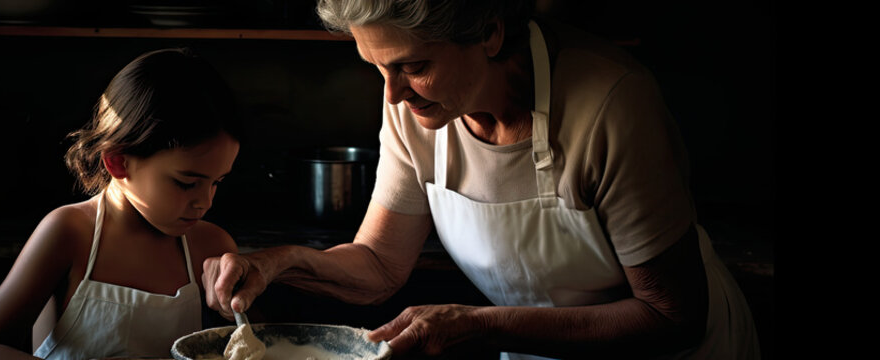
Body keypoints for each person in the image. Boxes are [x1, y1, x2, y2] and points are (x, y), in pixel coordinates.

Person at [203, 1, 760, 359]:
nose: (393, 94)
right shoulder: (414, 106)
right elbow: (377, 265)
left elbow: (672, 316)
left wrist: (479, 324)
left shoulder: (610, 105)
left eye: (412, 66)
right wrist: (279, 262)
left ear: (490, 32)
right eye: (376, 67)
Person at [0, 48, 243, 360]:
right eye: (186, 183)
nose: (205, 202)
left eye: (217, 182)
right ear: (119, 162)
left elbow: (256, 348)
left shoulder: (210, 247)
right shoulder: (69, 233)